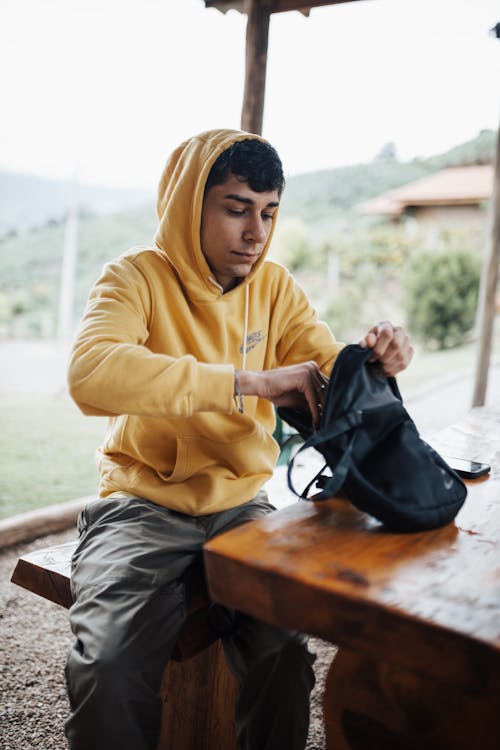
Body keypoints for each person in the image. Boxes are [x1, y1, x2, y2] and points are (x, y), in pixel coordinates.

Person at [65, 128, 413, 750]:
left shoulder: (275, 288)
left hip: (243, 508)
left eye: (269, 212)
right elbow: (91, 374)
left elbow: (325, 365)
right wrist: (245, 381)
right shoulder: (134, 277)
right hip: (141, 507)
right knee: (109, 663)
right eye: (236, 209)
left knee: (284, 650)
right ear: (188, 204)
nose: (256, 233)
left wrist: (375, 360)